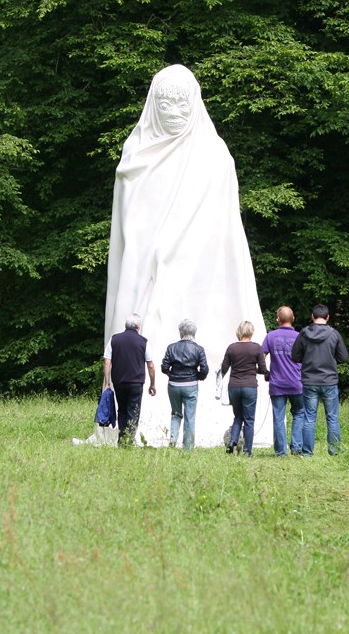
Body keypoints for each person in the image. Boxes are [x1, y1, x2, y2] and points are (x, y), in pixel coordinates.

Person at [104, 64, 271, 447]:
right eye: (165, 102)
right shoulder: (137, 154)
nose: (174, 111)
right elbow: (131, 226)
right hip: (146, 274)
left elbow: (228, 235)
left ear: (194, 104)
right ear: (153, 103)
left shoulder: (214, 155)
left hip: (204, 271)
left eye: (182, 102)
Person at [291, 304, 348, 456]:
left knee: (309, 418)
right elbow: (343, 357)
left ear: (312, 316)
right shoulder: (334, 334)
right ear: (328, 317)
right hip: (329, 381)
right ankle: (334, 451)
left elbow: (295, 356)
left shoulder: (303, 334)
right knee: (332, 418)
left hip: (309, 381)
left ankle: (307, 452)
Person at [103, 313, 156, 444]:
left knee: (121, 409)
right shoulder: (144, 342)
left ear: (125, 325)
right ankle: (130, 440)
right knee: (134, 411)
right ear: (139, 327)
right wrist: (152, 384)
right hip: (136, 383)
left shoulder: (114, 339)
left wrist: (107, 383)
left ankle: (121, 440)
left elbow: (107, 362)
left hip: (119, 381)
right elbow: (150, 365)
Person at [221, 321, 269, 457]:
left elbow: (224, 368)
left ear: (239, 332)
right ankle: (248, 451)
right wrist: (257, 370)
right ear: (251, 332)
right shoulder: (256, 348)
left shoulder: (231, 348)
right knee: (249, 420)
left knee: (237, 416)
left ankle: (232, 442)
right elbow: (263, 369)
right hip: (250, 386)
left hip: (234, 386)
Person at [161, 319, 209, 450]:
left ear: (181, 333)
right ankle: (187, 448)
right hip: (191, 385)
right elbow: (204, 370)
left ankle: (172, 441)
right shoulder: (199, 349)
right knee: (190, 416)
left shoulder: (171, 347)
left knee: (176, 414)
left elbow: (164, 367)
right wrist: (197, 377)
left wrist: (171, 375)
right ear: (194, 334)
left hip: (173, 385)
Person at [262, 306, 304, 456]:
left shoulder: (270, 336)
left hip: (277, 383)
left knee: (278, 417)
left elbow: (261, 357)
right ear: (293, 319)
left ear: (278, 319)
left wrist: (265, 372)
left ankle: (280, 451)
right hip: (297, 383)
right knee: (299, 413)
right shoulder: (300, 337)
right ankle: (297, 447)